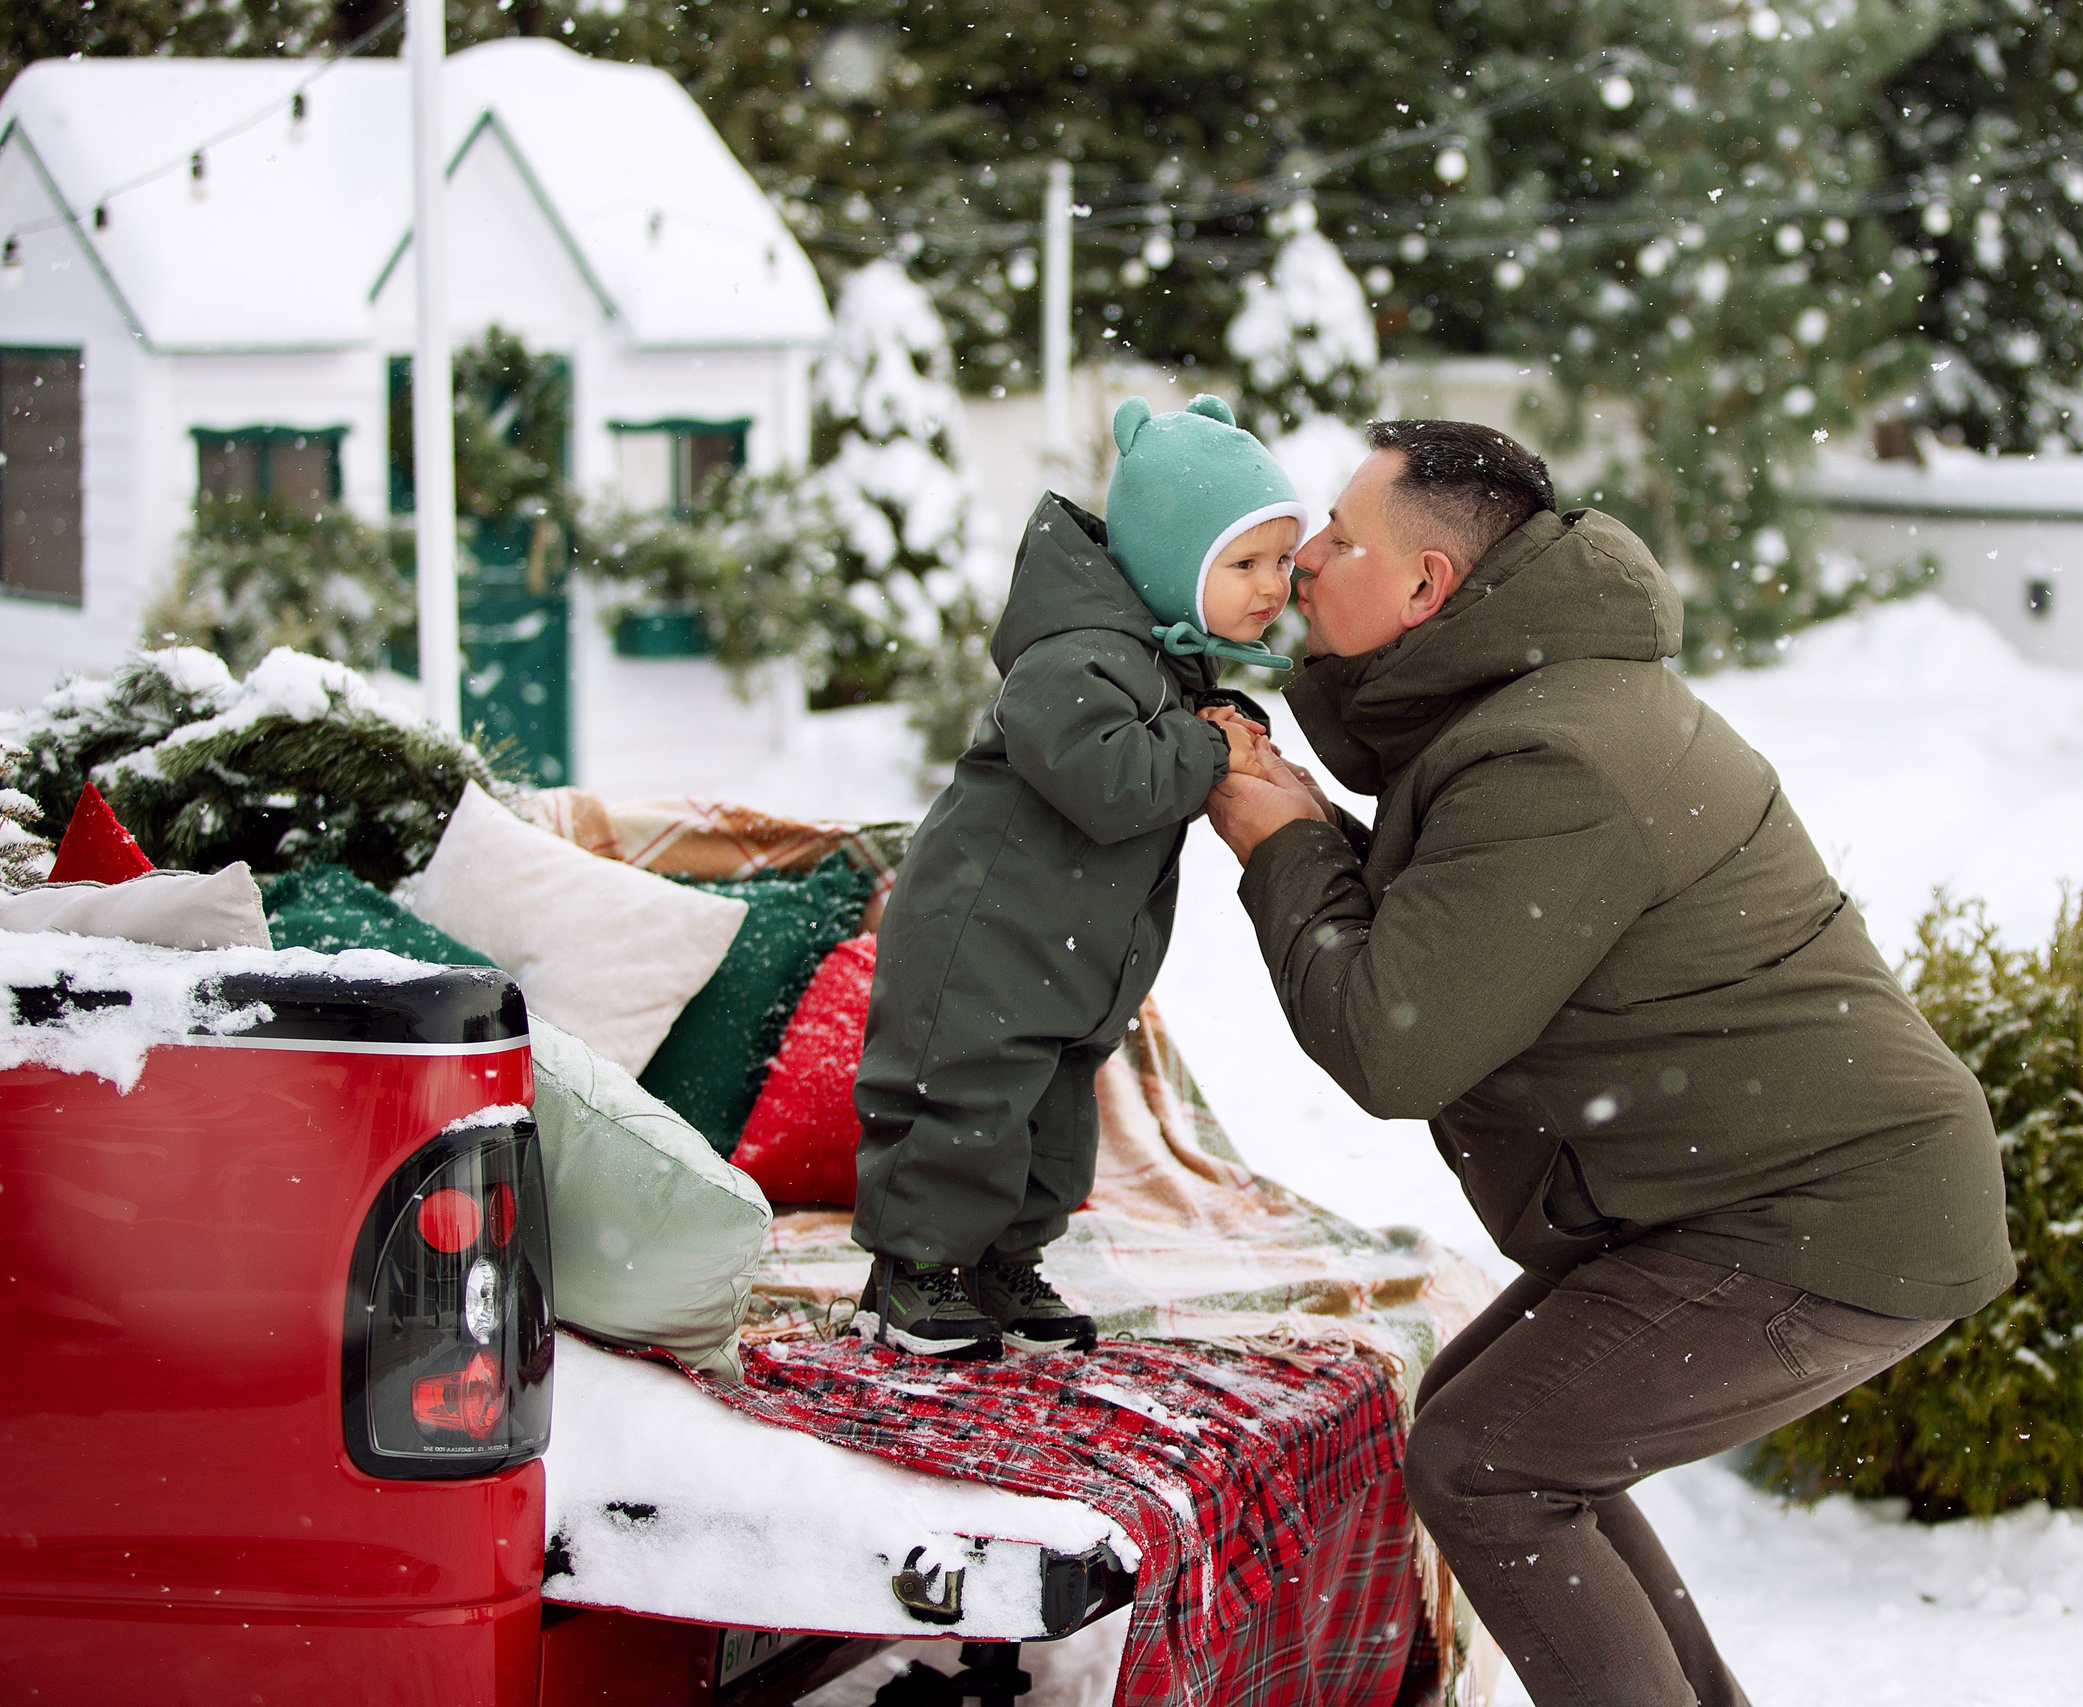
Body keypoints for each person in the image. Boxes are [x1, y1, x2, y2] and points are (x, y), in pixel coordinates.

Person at [1206, 419, 2016, 1706]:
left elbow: (1393, 1037)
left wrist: (1283, 845)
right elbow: (1467, 939)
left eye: (1340, 537)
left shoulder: (1549, 752)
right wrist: (1308, 826)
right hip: (1756, 1192)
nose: (1303, 560)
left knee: (1490, 1465)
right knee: (1497, 1438)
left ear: (1428, 587)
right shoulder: (1523, 709)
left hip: (1827, 1215)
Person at [852, 395, 1304, 1360]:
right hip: (985, 937)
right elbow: (1105, 779)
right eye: (1246, 563)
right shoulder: (1074, 655)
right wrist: (1201, 745)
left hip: (1066, 959)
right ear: (1171, 561)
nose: (1275, 586)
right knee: (963, 1103)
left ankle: (1003, 1259)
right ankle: (913, 1266)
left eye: (1283, 561)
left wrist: (1205, 723)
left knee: (1051, 1124)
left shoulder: (1154, 663)